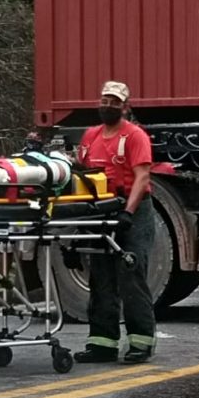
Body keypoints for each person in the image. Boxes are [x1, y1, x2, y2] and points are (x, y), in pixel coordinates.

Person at [73, 81, 157, 364]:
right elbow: (83, 174)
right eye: (104, 100)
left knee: (131, 275)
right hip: (101, 211)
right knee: (101, 277)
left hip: (131, 210)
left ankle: (140, 342)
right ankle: (102, 343)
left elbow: (142, 177)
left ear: (125, 106)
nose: (107, 105)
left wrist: (128, 214)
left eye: (114, 101)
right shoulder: (91, 136)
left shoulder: (134, 137)